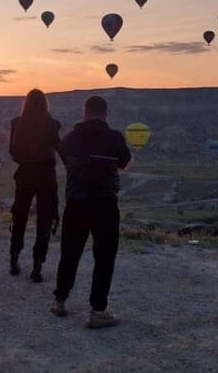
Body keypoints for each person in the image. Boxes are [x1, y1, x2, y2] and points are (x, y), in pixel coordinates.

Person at [51, 95, 131, 328]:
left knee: (70, 254)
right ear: (105, 113)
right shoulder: (115, 137)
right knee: (104, 258)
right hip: (105, 205)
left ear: (84, 112)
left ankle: (59, 301)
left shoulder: (70, 138)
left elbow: (66, 161)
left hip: (76, 204)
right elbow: (124, 162)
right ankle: (97, 311)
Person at [8, 89, 62, 282]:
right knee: (44, 220)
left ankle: (14, 258)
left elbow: (13, 152)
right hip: (46, 176)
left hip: (25, 174)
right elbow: (60, 148)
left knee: (20, 216)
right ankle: (37, 266)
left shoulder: (17, 123)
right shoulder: (51, 125)